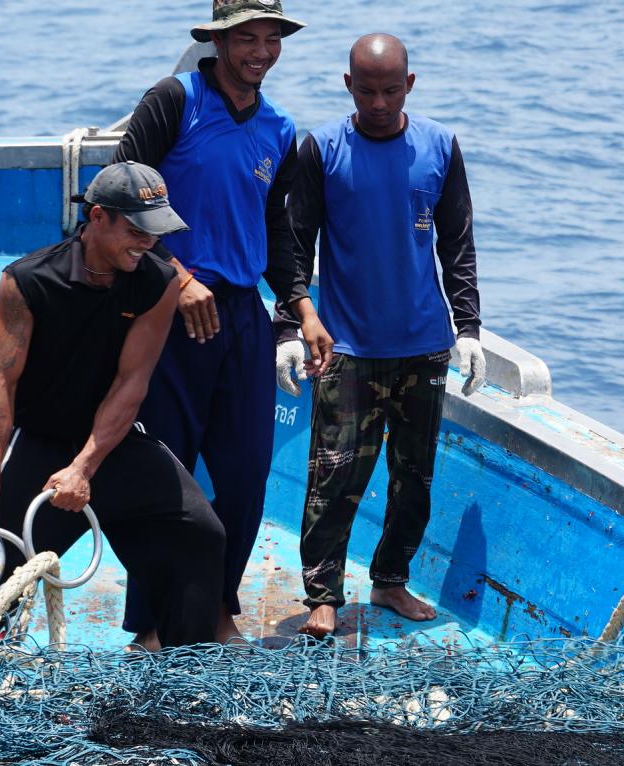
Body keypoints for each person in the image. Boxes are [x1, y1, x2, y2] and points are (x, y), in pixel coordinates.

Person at [111, 0, 332, 646]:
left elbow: (279, 235)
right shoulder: (174, 101)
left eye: (272, 39)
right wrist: (176, 279)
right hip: (166, 309)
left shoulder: (279, 129)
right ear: (218, 41)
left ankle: (216, 608)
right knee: (164, 473)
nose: (260, 52)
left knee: (243, 474)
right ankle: (150, 622)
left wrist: (304, 309)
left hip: (240, 318)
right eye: (246, 39)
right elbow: (118, 194)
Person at [0, 161, 227, 648]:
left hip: (114, 443)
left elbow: (131, 383)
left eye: (156, 231)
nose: (147, 242)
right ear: (97, 217)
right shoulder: (28, 281)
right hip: (42, 444)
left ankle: (183, 671)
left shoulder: (158, 282)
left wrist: (84, 467)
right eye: (136, 229)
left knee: (200, 533)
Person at [274, 33, 486, 639]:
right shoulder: (322, 149)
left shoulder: (440, 146)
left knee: (413, 475)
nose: (379, 102)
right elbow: (295, 244)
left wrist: (468, 327)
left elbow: (457, 244)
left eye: (391, 90)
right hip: (345, 348)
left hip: (423, 344)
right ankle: (324, 595)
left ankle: (390, 580)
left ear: (410, 86)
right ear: (348, 87)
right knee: (333, 474)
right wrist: (290, 325)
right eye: (366, 91)